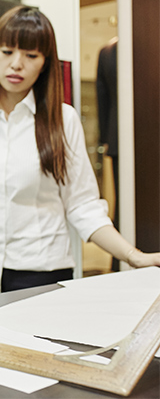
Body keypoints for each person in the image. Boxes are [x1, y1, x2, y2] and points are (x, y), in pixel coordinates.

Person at [0, 6, 160, 297]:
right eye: (7, 52)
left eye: (31, 55)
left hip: (44, 274)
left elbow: (83, 206)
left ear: (44, 63)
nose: (17, 64)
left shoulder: (63, 120)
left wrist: (133, 256)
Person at [96, 37, 120, 272]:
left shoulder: (108, 50)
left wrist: (105, 137)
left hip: (116, 138)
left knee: (121, 204)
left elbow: (102, 98)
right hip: (119, 139)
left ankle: (118, 263)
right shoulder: (109, 51)